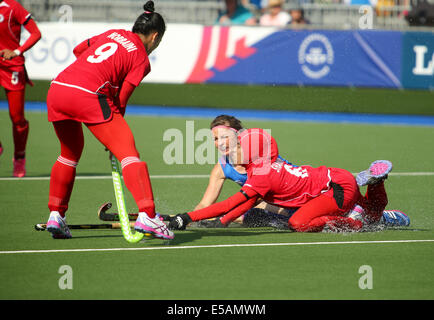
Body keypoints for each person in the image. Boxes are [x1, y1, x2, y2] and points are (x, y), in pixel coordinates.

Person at [44, 1, 173, 240]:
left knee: (69, 154)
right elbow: (121, 100)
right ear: (155, 37)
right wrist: (113, 139)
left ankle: (56, 215)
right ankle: (148, 216)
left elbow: (79, 50)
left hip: (58, 88)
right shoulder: (142, 60)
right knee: (129, 153)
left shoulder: (114, 33)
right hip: (89, 95)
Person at [167, 128, 409, 233]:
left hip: (337, 187)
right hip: (334, 181)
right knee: (373, 214)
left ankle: (358, 220)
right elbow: (246, 203)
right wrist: (223, 222)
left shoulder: (262, 175)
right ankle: (375, 186)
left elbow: (230, 203)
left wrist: (186, 217)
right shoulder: (258, 169)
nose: (232, 149)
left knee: (299, 223)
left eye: (239, 146)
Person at [0, 0, 42, 177]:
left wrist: (17, 51)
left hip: (11, 66)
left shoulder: (13, 7)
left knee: (17, 118)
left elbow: (36, 33)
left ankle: (19, 158)